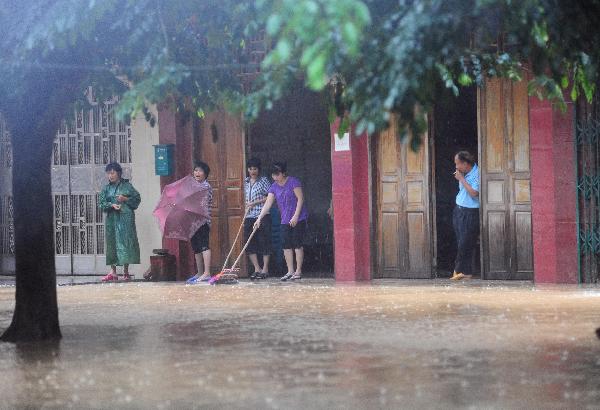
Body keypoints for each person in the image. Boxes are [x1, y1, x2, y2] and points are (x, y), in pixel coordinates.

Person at [255, 162, 308, 281]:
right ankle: (290, 271)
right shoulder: (273, 187)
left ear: (283, 173)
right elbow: (268, 204)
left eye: (277, 174)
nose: (275, 177)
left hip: (298, 218)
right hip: (285, 219)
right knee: (286, 245)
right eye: (273, 175)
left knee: (297, 244)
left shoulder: (294, 182)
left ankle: (298, 271)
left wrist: (295, 216)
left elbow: (300, 199)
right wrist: (259, 218)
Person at [99, 162, 141, 282]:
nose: (110, 176)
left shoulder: (127, 186)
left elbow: (137, 199)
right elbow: (101, 204)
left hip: (125, 219)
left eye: (112, 173)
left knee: (126, 242)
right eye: (108, 173)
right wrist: (111, 205)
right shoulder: (106, 189)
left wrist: (125, 199)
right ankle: (113, 272)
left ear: (118, 173)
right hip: (112, 220)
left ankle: (126, 272)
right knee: (112, 242)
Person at [451, 151, 480, 281]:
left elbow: (474, 193)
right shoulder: (464, 173)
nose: (456, 166)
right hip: (459, 209)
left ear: (465, 163)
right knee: (461, 241)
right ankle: (466, 272)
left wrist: (461, 180)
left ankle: (457, 270)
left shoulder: (477, 174)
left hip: (471, 212)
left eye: (458, 163)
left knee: (465, 242)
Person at [244, 158, 272, 280]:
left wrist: (255, 202)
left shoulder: (264, 181)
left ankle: (265, 269)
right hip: (249, 216)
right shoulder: (245, 181)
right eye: (250, 168)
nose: (252, 171)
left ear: (258, 169)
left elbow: (270, 197)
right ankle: (257, 268)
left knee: (264, 241)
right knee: (250, 243)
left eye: (255, 168)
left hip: (262, 215)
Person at [186, 161, 213, 284]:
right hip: (192, 221)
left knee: (204, 246)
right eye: (196, 170)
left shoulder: (205, 186)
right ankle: (200, 272)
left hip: (202, 221)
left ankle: (207, 273)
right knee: (196, 248)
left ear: (205, 174)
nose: (197, 173)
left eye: (200, 171)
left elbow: (201, 203)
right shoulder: (192, 186)